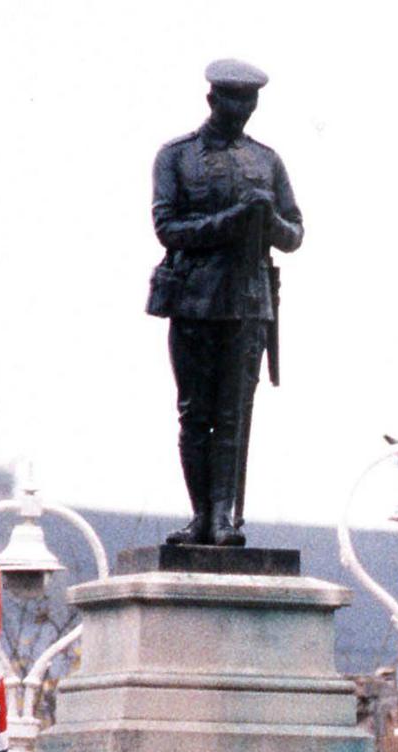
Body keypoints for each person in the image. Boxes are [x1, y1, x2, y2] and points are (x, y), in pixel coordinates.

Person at [148, 58, 303, 547]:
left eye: (251, 101)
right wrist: (233, 221)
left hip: (248, 302)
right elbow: (167, 228)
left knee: (235, 413)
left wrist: (267, 220)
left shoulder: (267, 161)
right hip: (193, 300)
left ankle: (223, 518)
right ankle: (200, 516)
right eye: (235, 100)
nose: (244, 109)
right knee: (196, 413)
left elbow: (294, 233)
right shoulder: (176, 157)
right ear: (213, 99)